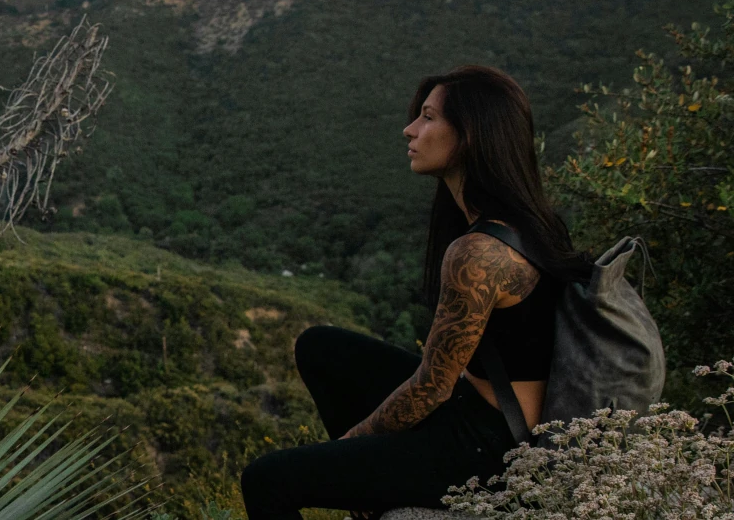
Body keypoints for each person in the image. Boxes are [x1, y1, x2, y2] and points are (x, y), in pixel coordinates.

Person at [238, 65, 595, 517]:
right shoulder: (526, 223)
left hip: (494, 447)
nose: (410, 129)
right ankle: (368, 492)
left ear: (471, 135)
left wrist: (357, 440)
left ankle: (363, 490)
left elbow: (431, 389)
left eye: (428, 118)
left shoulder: (479, 253)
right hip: (480, 411)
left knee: (267, 479)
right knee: (319, 346)